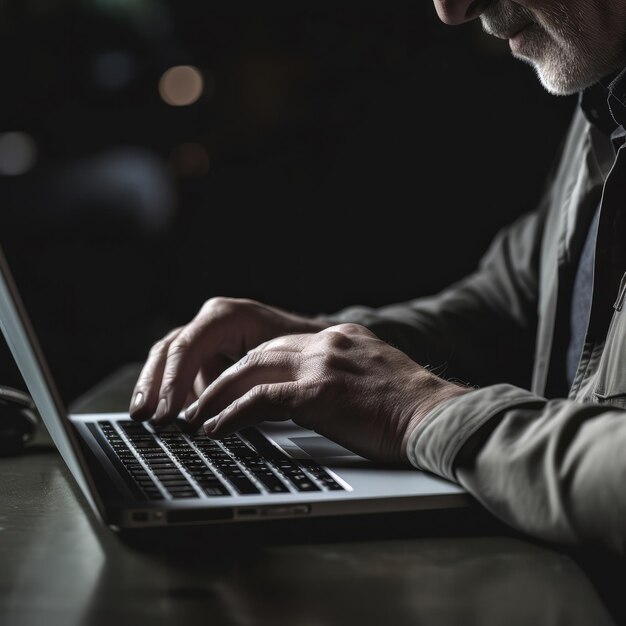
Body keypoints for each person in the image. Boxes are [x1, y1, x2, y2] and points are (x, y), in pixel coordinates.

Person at [129, 0, 626, 556]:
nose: (452, 10)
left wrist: (420, 412)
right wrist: (317, 352)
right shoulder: (607, 98)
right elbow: (514, 304)